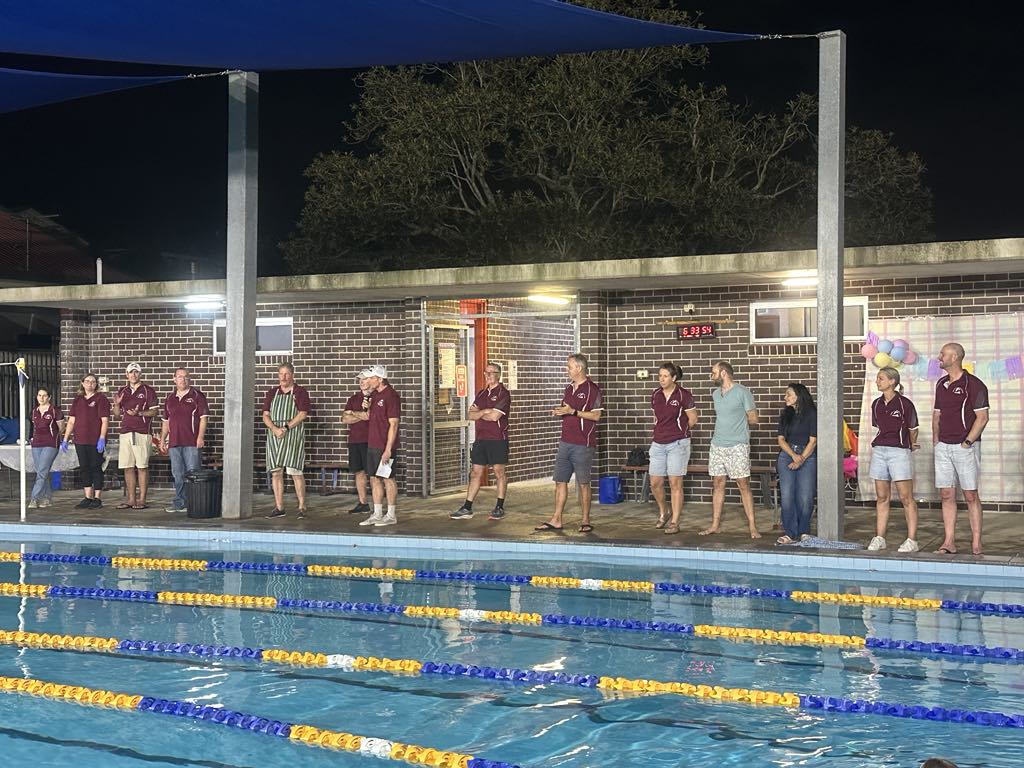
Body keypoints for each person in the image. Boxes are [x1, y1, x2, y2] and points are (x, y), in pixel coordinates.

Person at [535, 353, 603, 534]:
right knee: (560, 481)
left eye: (569, 367)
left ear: (579, 368)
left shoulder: (592, 389)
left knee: (583, 483)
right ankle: (556, 519)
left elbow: (596, 416)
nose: (567, 370)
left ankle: (586, 520)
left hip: (583, 443)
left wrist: (573, 411)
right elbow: (567, 410)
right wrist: (559, 411)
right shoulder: (568, 388)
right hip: (565, 442)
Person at [932, 342, 989, 556]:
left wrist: (968, 442)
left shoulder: (973, 385)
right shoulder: (941, 384)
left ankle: (976, 543)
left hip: (965, 447)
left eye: (943, 354)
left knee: (970, 495)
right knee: (947, 494)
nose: (939, 357)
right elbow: (937, 414)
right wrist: (937, 440)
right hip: (943, 447)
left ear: (954, 357)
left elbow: (982, 418)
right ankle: (949, 541)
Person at [700, 361, 761, 538]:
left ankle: (752, 527)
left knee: (743, 484)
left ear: (724, 373)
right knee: (718, 483)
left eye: (714, 372)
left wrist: (739, 426)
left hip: (738, 445)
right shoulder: (715, 394)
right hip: (717, 444)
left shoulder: (742, 392)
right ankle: (715, 525)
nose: (712, 375)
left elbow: (754, 418)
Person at [867, 367, 921, 553]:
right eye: (877, 378)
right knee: (882, 497)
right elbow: (879, 426)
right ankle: (880, 537)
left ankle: (912, 540)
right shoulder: (876, 404)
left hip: (899, 452)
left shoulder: (905, 404)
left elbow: (913, 428)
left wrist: (911, 444)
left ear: (892, 381)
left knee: (906, 497)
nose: (877, 381)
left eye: (881, 378)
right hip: (880, 451)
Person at [451, 362, 512, 521]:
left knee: (499, 472)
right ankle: (467, 507)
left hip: (497, 439)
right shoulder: (482, 393)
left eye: (492, 372)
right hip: (481, 439)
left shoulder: (503, 394)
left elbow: (495, 417)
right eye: (486, 372)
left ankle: (499, 506)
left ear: (499, 374)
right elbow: (470, 415)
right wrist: (485, 411)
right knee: (475, 473)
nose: (488, 375)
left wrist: (481, 413)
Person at [649, 362, 697, 535]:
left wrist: (680, 433)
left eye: (665, 376)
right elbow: (657, 417)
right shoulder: (655, 395)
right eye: (660, 376)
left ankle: (675, 521)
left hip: (677, 443)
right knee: (655, 483)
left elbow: (693, 419)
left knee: (675, 483)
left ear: (674, 378)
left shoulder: (684, 395)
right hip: (658, 443)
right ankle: (664, 511)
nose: (661, 379)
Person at [262, 362, 313, 518]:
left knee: (295, 472)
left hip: (292, 435)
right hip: (274, 435)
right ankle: (279, 507)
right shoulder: (272, 393)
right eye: (281, 374)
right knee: (276, 473)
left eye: (286, 374)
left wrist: (285, 428)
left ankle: (302, 507)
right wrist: (274, 429)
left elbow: (302, 414)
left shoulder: (300, 392)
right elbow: (265, 415)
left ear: (292, 375)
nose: (283, 377)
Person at [160, 367, 209, 514]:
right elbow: (165, 422)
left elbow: (203, 418)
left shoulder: (197, 396)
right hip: (174, 442)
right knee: (177, 474)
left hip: (191, 442)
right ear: (174, 379)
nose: (183, 379)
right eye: (180, 376)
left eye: (186, 376)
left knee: (192, 473)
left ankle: (195, 502)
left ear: (190, 379)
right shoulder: (170, 398)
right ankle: (180, 502)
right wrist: (163, 439)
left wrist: (200, 437)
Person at [357, 365, 400, 527]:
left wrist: (388, 449)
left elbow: (394, 424)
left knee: (388, 478)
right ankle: (377, 513)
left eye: (372, 378)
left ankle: (391, 514)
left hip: (385, 445)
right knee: (374, 478)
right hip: (373, 443)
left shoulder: (391, 396)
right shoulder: (374, 395)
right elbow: (369, 417)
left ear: (380, 379)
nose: (368, 380)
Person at [774, 383, 818, 545]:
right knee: (787, 496)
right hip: (787, 455)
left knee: (805, 496)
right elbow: (780, 439)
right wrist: (793, 456)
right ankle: (790, 532)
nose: (785, 397)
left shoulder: (812, 414)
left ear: (799, 396)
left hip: (808, 455)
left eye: (789, 394)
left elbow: (813, 440)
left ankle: (804, 530)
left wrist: (801, 459)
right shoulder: (786, 415)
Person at [111, 362, 159, 510]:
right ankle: (131, 499)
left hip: (142, 432)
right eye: (131, 372)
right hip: (125, 432)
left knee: (142, 467)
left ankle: (142, 499)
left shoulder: (148, 390)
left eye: (136, 372)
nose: (133, 375)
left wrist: (139, 413)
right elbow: (118, 415)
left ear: (140, 374)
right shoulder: (122, 391)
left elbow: (154, 412)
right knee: (127, 467)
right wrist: (117, 405)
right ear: (127, 375)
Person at [61, 372, 110, 509]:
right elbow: (71, 421)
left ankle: (97, 498)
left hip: (95, 440)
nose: (90, 384)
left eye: (93, 382)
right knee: (84, 468)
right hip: (80, 440)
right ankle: (87, 496)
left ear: (96, 384)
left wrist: (102, 438)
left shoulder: (101, 399)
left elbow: (104, 420)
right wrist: (65, 438)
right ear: (82, 383)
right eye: (87, 381)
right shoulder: (78, 400)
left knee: (96, 467)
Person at [342, 369, 373, 515]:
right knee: (358, 472)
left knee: (372, 473)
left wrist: (353, 414)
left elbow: (370, 416)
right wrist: (360, 414)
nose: (361, 382)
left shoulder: (375, 397)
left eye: (364, 379)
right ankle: (363, 503)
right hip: (355, 440)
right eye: (360, 379)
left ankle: (377, 504)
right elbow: (344, 418)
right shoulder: (354, 398)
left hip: (371, 440)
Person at [29, 386, 64, 508]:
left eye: (44, 395)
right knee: (41, 471)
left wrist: (61, 440)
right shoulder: (34, 411)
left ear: (49, 397)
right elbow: (33, 427)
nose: (41, 398)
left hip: (50, 443)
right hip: (36, 444)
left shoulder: (55, 411)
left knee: (42, 471)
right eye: (39, 395)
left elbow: (61, 428)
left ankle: (34, 498)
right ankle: (47, 498)